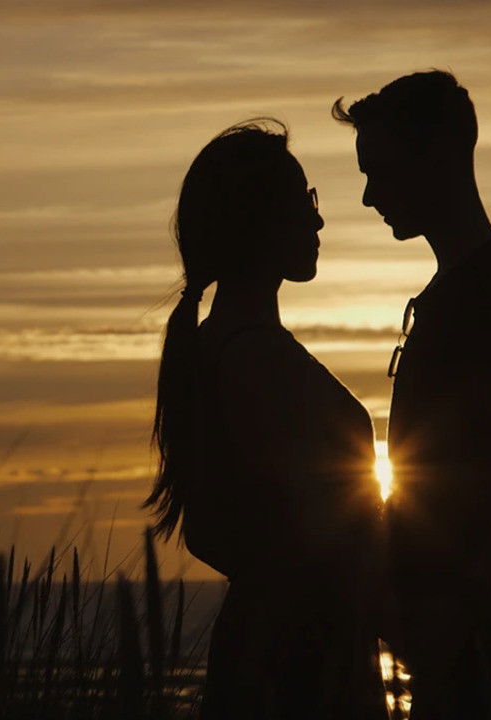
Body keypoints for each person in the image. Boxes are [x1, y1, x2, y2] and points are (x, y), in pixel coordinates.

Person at [332, 71, 491, 719]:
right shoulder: (454, 295)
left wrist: (466, 608)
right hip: (463, 642)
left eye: (379, 171)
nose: (368, 197)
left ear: (437, 157)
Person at [144, 120, 387, 719]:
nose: (318, 221)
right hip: (302, 665)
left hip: (284, 649)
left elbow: (214, 531)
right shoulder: (252, 359)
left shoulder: (220, 348)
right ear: (260, 222)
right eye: (304, 201)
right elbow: (300, 533)